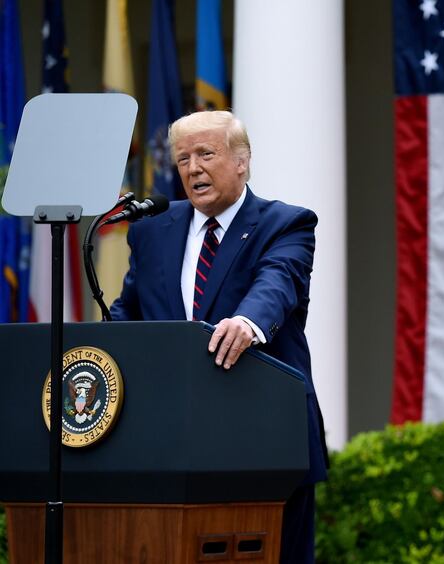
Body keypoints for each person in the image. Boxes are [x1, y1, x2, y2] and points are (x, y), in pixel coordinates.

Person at [110, 110, 328, 563]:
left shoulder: (285, 224)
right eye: (183, 158)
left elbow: (278, 282)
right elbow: (129, 310)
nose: (192, 168)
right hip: (168, 444)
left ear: (242, 160)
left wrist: (246, 323)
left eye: (206, 154)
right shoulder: (152, 229)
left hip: (266, 439)